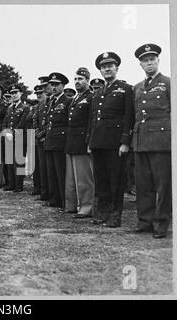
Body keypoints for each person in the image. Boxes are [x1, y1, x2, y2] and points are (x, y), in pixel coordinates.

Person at [87, 52, 135, 228]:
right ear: (100, 70)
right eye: (103, 67)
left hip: (115, 144)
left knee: (116, 181)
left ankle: (115, 216)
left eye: (110, 66)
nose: (107, 69)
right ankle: (102, 213)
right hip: (98, 142)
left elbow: (129, 117)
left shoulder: (125, 89)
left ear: (117, 68)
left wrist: (125, 142)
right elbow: (93, 120)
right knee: (101, 180)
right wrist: (90, 142)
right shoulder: (98, 92)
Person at [132, 44, 171, 238]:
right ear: (140, 64)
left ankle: (161, 223)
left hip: (162, 142)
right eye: (145, 61)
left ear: (158, 61)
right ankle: (144, 221)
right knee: (143, 184)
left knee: (163, 186)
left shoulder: (168, 83)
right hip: (141, 141)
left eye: (152, 59)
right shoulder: (137, 88)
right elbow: (135, 115)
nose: (149, 63)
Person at [64, 67, 95, 218]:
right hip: (71, 141)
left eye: (80, 79)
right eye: (75, 79)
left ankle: (86, 207)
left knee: (84, 179)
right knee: (70, 178)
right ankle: (71, 205)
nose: (77, 82)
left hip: (82, 142)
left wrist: (89, 141)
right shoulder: (77, 97)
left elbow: (91, 121)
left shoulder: (91, 97)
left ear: (88, 80)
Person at [44, 73, 72, 212]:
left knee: (61, 173)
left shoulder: (67, 101)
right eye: (52, 84)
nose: (53, 87)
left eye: (57, 85)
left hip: (60, 141)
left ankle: (63, 200)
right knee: (51, 173)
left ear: (63, 86)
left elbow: (68, 123)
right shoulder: (51, 101)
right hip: (50, 140)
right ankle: (54, 199)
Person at [2, 84, 29, 192]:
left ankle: (19, 185)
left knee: (19, 162)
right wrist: (6, 132)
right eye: (12, 93)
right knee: (9, 162)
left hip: (19, 138)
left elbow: (22, 124)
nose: (13, 95)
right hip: (9, 138)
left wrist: (12, 133)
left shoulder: (25, 108)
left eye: (15, 93)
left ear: (21, 94)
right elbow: (4, 123)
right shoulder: (9, 108)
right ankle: (11, 184)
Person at [33, 80, 51, 203]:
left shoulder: (51, 102)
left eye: (45, 87)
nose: (41, 93)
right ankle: (44, 192)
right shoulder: (40, 104)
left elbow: (51, 121)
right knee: (41, 168)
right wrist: (37, 133)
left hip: (48, 138)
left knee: (48, 168)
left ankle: (49, 192)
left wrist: (43, 133)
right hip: (40, 139)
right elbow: (34, 119)